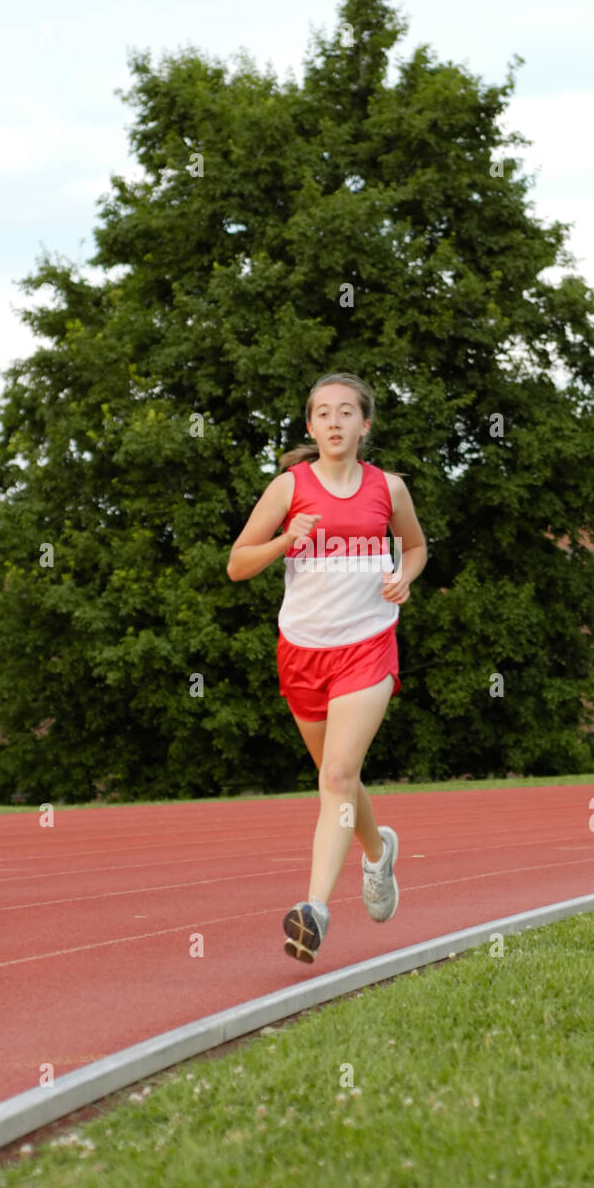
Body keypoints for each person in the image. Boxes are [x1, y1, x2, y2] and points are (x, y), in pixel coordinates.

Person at [226, 373, 427, 962]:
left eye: (346, 412)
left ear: (366, 424)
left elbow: (413, 547)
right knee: (341, 778)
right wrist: (287, 540)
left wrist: (403, 577)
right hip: (302, 652)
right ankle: (377, 852)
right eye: (322, 414)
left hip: (367, 645)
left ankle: (313, 908)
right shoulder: (289, 487)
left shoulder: (389, 489)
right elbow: (238, 564)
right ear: (310, 427)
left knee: (337, 777)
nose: (334, 422)